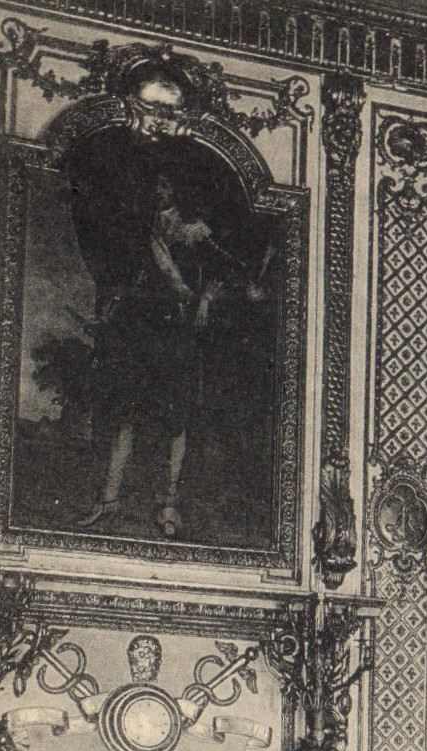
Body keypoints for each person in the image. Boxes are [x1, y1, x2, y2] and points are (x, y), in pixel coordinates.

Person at [79, 172, 263, 539]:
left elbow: (234, 274)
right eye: (155, 184)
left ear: (177, 190)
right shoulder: (142, 229)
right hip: (142, 330)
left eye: (164, 184)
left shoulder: (196, 234)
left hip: (177, 334)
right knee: (126, 413)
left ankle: (169, 504)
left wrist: (209, 301)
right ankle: (109, 498)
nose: (157, 189)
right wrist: (111, 313)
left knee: (175, 420)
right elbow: (127, 278)